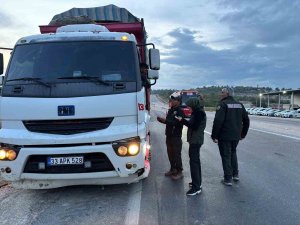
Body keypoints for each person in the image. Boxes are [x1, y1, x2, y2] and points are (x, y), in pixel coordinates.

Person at [211, 87, 250, 186]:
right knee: (233, 153)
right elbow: (246, 121)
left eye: (222, 92)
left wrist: (214, 135)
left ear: (227, 94)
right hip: (236, 136)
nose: (220, 94)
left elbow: (218, 121)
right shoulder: (240, 105)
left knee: (226, 156)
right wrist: (243, 134)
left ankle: (227, 179)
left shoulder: (223, 104)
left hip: (225, 136)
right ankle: (235, 174)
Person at [176, 97, 206, 196]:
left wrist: (182, 120)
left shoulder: (199, 113)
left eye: (189, 106)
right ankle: (197, 183)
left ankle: (196, 188)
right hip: (195, 140)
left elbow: (194, 126)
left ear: (193, 105)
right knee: (195, 162)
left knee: (194, 163)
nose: (188, 108)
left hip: (196, 141)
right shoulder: (197, 112)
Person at [157, 92, 184, 180]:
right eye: (171, 100)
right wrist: (163, 121)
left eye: (173, 100)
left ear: (178, 101)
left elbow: (176, 123)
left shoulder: (180, 110)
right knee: (170, 153)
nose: (171, 101)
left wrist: (164, 121)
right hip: (169, 135)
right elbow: (169, 121)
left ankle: (179, 171)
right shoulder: (171, 109)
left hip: (176, 136)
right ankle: (173, 169)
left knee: (176, 154)